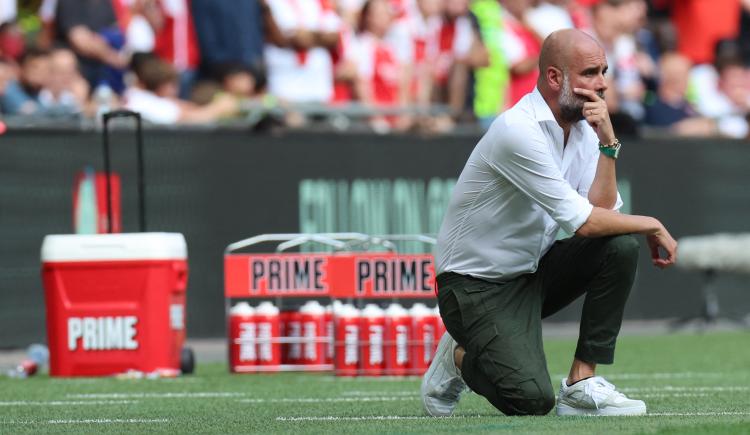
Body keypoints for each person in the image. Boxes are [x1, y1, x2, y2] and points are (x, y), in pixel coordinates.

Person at [421, 28, 677, 417]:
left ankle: (581, 382)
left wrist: (608, 143)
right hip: (472, 288)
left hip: (529, 273)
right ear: (555, 77)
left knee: (620, 244)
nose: (603, 83)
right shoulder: (517, 130)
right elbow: (584, 224)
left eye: (604, 71)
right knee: (531, 400)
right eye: (590, 72)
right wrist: (653, 223)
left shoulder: (584, 128)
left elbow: (602, 211)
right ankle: (456, 355)